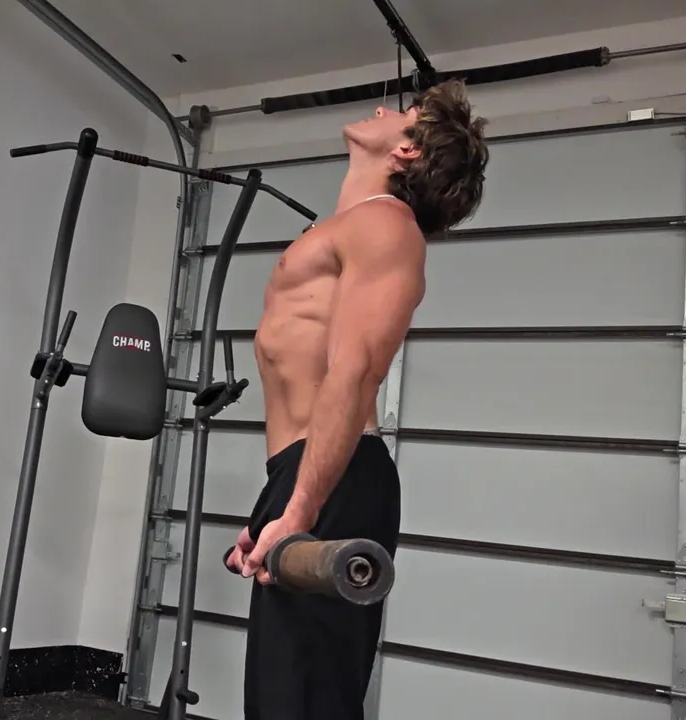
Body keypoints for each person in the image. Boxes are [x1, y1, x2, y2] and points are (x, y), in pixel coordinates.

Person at [222, 78, 490, 719]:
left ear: (407, 151)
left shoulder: (386, 225)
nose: (381, 108)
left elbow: (356, 371)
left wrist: (302, 508)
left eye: (403, 112)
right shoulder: (348, 228)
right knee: (283, 699)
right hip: (307, 473)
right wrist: (276, 508)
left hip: (336, 481)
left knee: (303, 704)